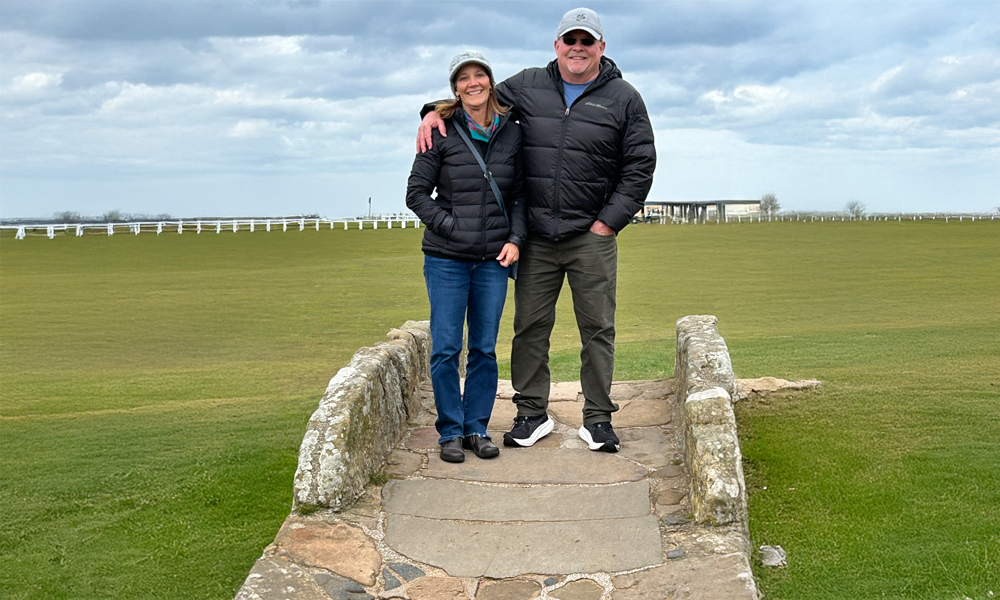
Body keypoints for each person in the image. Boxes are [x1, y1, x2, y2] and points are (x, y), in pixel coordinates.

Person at [418, 8, 655, 453]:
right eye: (571, 40)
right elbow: (477, 96)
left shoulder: (624, 98)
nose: (578, 49)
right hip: (537, 236)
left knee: (597, 328)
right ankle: (531, 413)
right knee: (529, 327)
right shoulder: (527, 84)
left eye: (587, 41)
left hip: (592, 235)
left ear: (601, 48)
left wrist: (608, 222)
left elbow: (640, 166)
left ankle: (598, 418)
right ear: (557, 46)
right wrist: (433, 111)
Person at [406, 50, 527, 463]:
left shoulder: (512, 131)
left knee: (484, 348)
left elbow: (520, 195)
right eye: (464, 78)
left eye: (480, 75)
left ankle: (477, 427)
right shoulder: (438, 130)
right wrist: (452, 227)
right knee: (444, 348)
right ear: (455, 87)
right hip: (446, 260)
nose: (473, 83)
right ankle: (450, 432)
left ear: (490, 82)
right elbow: (416, 194)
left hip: (494, 260)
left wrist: (516, 238)